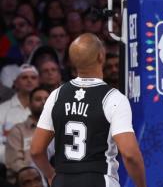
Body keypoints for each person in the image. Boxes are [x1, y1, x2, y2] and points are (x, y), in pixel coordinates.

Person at [30, 33, 146, 187]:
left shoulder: (56, 95)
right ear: (101, 56)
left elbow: (36, 151)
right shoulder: (113, 98)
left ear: (72, 61)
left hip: (63, 180)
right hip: (99, 180)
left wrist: (51, 175)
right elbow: (130, 154)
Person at [5, 87, 50, 184]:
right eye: (38, 99)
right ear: (29, 105)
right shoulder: (18, 131)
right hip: (30, 180)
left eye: (47, 99)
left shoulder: (62, 127)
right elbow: (15, 163)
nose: (43, 102)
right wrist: (39, 174)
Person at [0, 64, 39, 165]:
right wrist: (17, 163)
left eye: (33, 78)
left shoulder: (46, 109)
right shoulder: (2, 109)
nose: (29, 80)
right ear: (15, 83)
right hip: (11, 167)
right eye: (24, 77)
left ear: (38, 82)